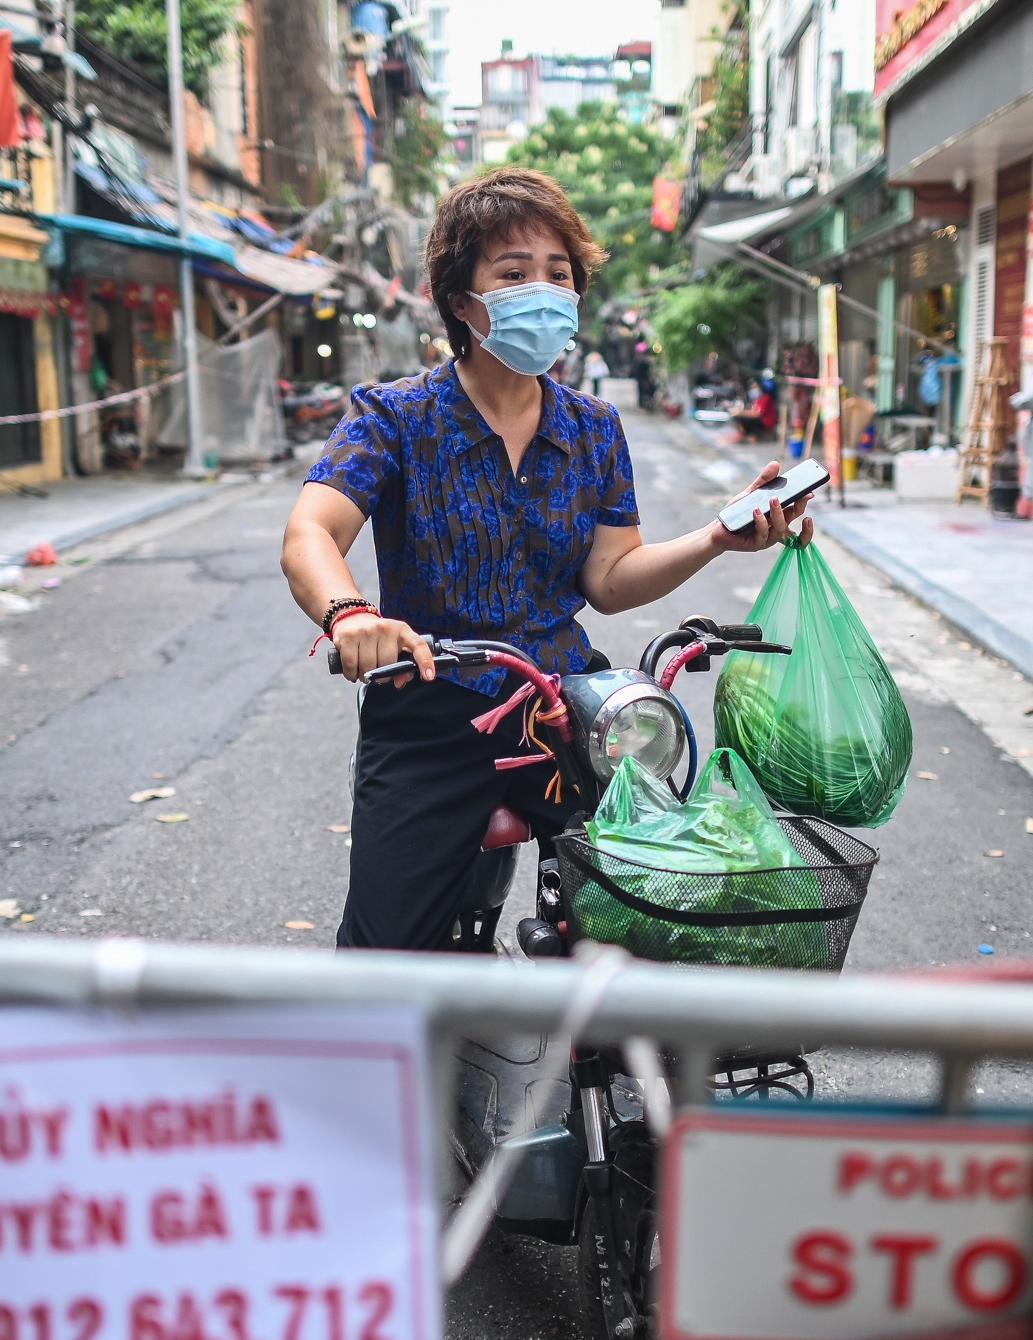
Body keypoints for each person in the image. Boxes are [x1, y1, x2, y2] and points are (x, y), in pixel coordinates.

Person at [279, 167, 813, 953]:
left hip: (564, 708)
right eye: (514, 272)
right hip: (428, 710)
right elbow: (310, 534)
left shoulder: (594, 428)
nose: (544, 289)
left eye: (559, 273)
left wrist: (714, 538)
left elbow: (609, 578)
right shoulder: (392, 418)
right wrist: (352, 613)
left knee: (657, 909)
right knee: (383, 961)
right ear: (462, 302)